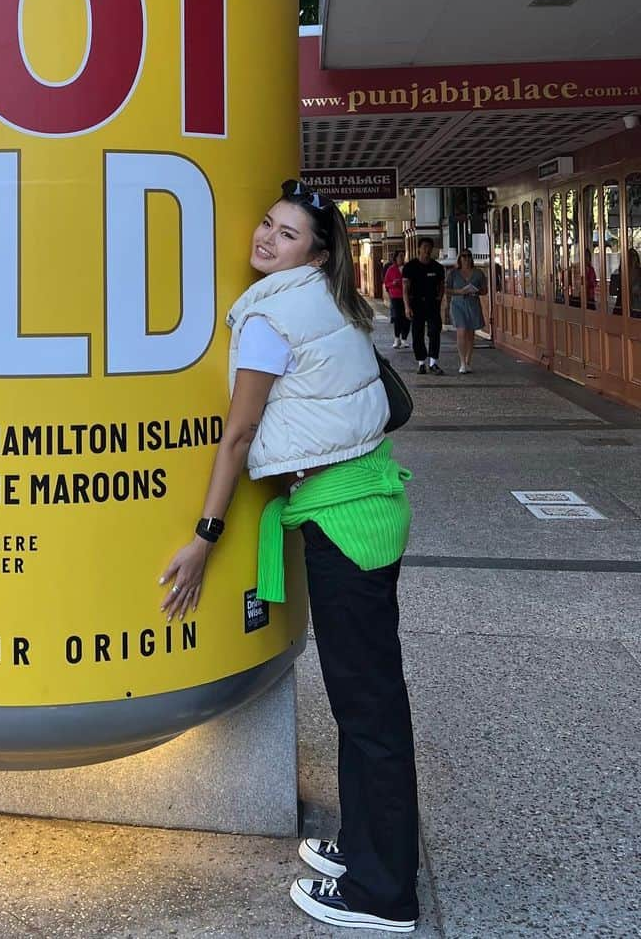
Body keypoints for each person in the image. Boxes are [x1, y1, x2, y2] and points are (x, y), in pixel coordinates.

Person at [157, 180, 419, 933]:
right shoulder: (324, 300)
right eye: (267, 225)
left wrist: (204, 538)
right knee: (364, 699)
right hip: (362, 501)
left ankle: (382, 893)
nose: (267, 240)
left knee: (368, 706)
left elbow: (237, 436)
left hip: (346, 517)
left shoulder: (272, 315)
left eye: (288, 235)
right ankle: (367, 849)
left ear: (317, 251)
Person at [402, 239, 446, 375]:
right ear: (419, 249)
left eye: (429, 248)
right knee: (417, 333)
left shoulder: (437, 267)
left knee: (434, 331)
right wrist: (407, 307)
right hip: (416, 304)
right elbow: (405, 288)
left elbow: (441, 285)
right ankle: (421, 362)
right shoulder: (410, 267)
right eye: (424, 247)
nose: (427, 250)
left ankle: (433, 362)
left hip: (432, 304)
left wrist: (439, 297)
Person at [445, 249, 487, 373]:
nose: (466, 258)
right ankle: (462, 362)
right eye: (463, 256)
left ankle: (468, 360)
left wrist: (476, 291)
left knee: (470, 333)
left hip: (472, 303)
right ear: (460, 258)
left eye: (468, 256)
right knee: (461, 331)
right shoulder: (453, 273)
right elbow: (447, 289)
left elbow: (484, 290)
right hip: (458, 304)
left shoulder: (478, 273)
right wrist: (459, 292)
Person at [383, 248, 410, 349]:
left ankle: (404, 339)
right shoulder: (391, 269)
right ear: (396, 258)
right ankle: (397, 338)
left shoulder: (407, 268)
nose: (402, 258)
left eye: (403, 256)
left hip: (407, 296)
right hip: (396, 296)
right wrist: (392, 284)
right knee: (398, 317)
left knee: (407, 318)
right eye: (400, 256)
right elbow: (386, 282)